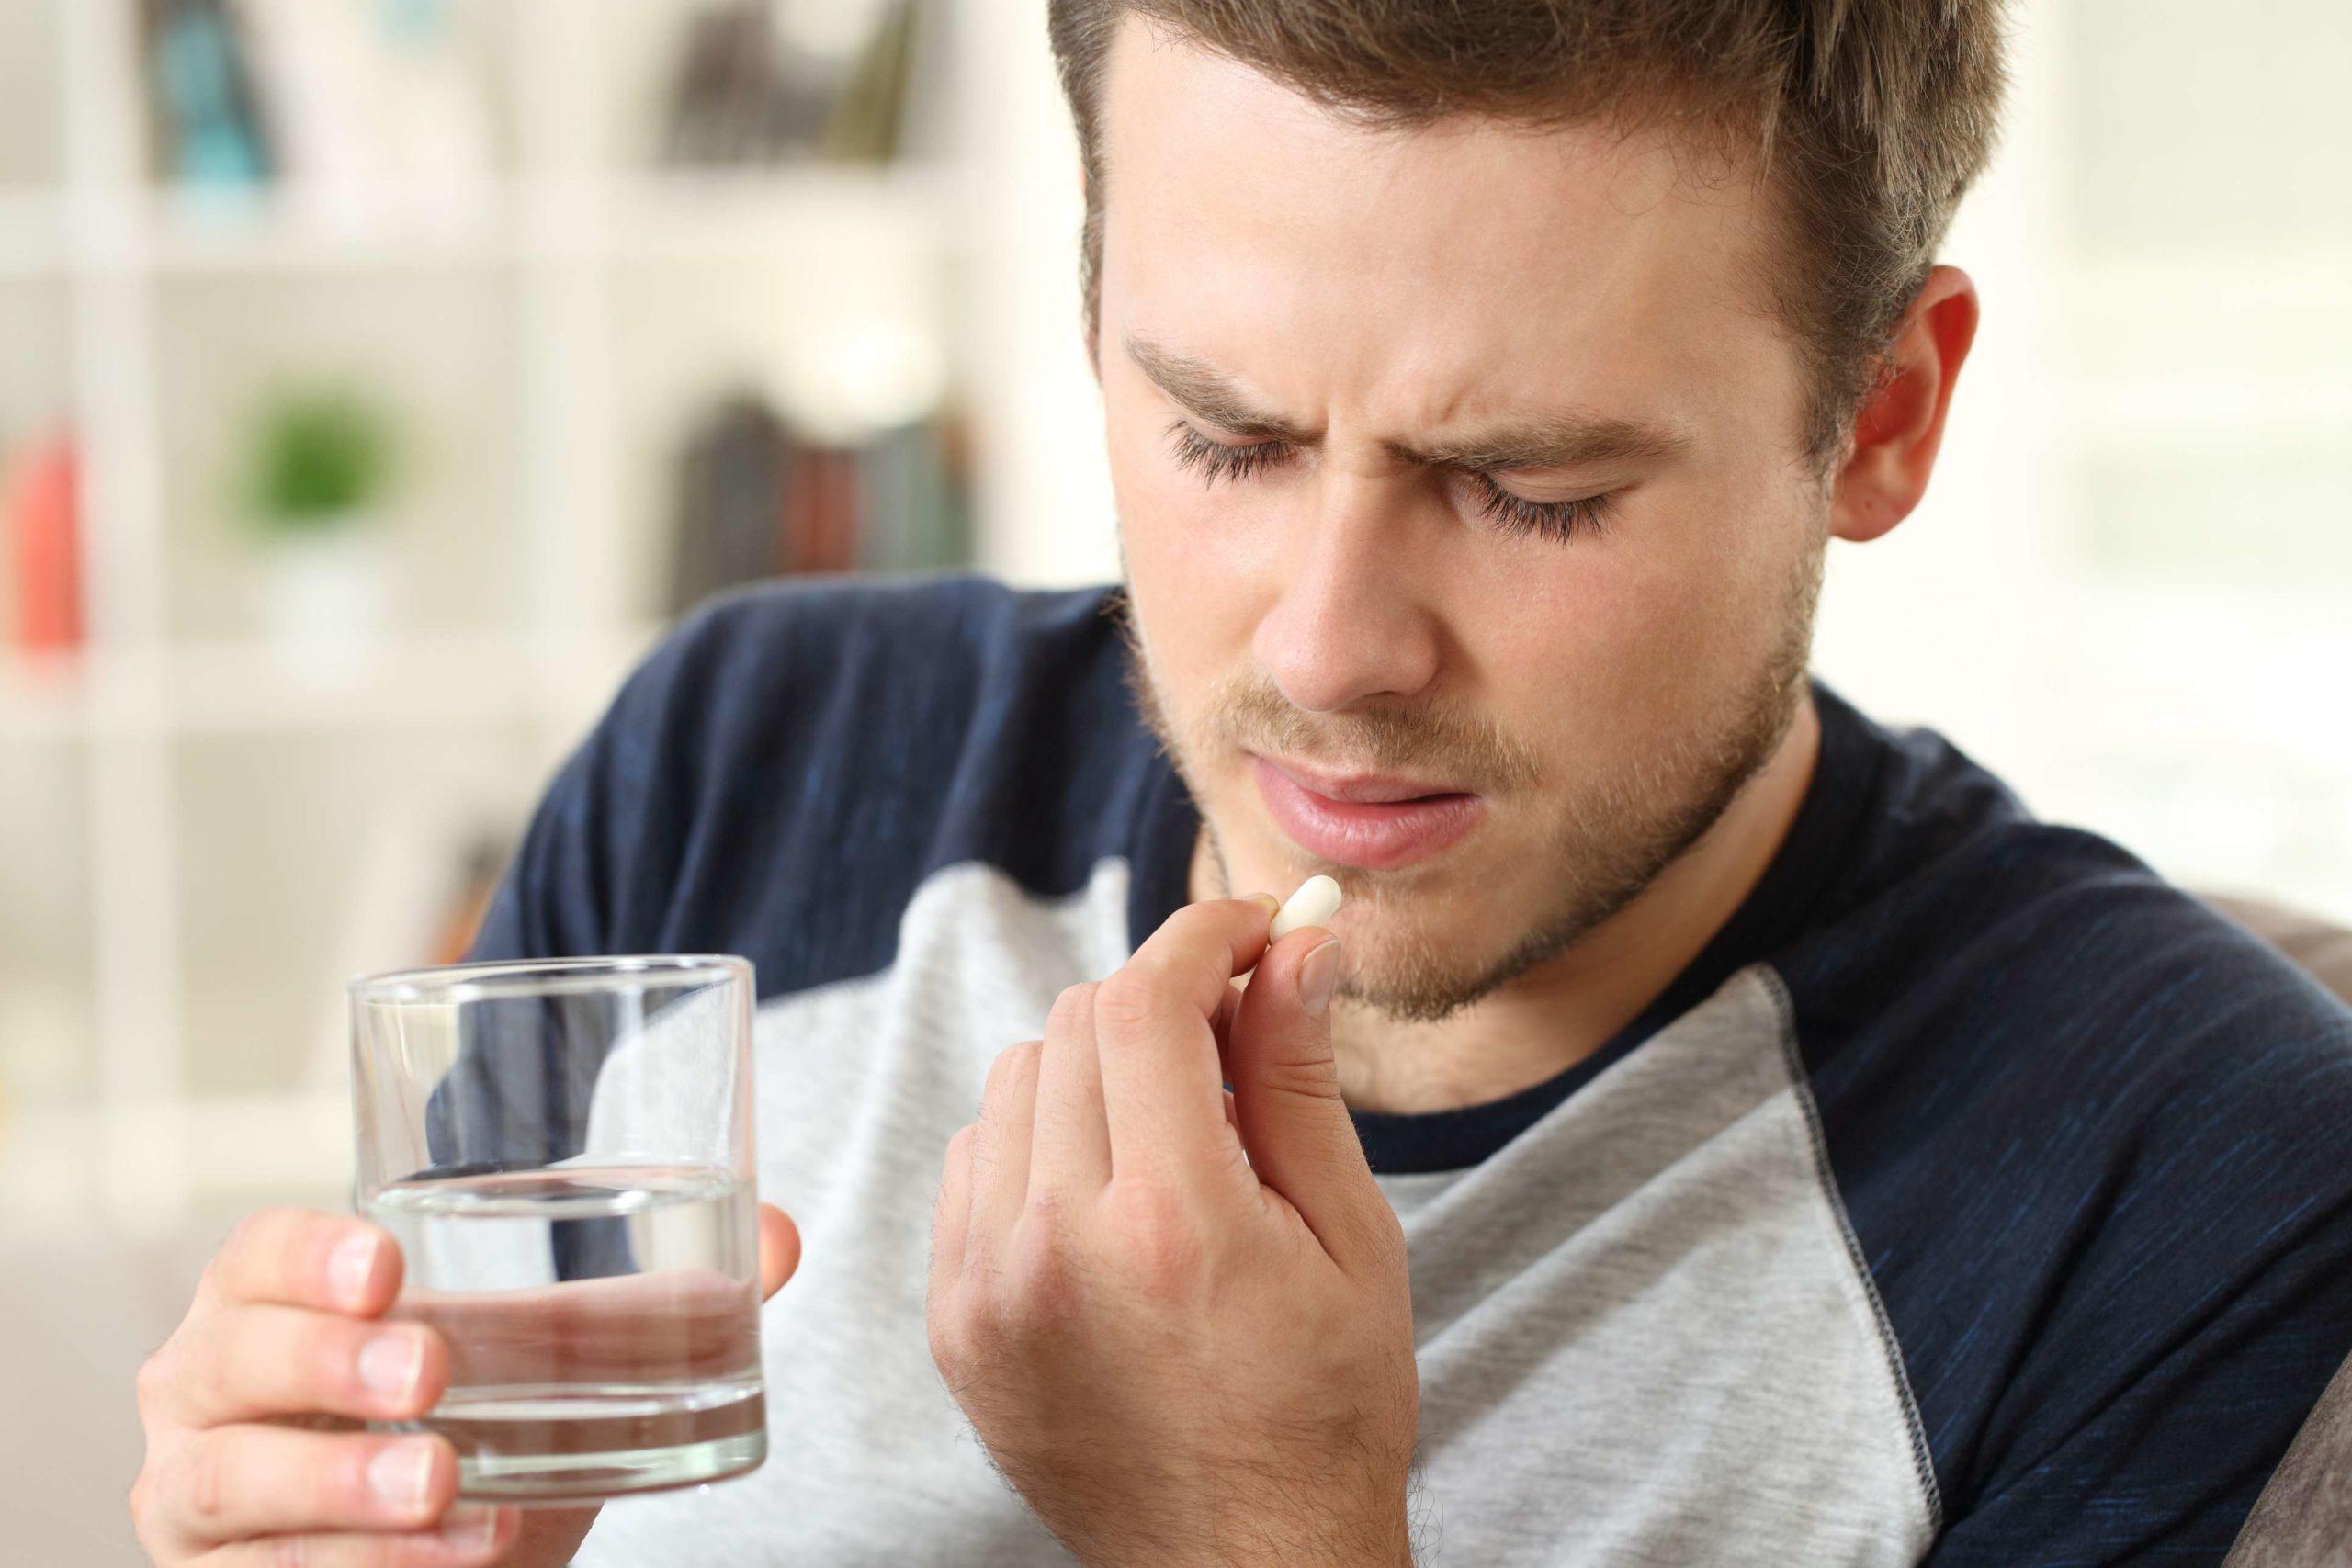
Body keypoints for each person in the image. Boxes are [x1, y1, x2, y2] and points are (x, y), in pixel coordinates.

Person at [132, 2, 2352, 1563]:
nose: (1322, 648)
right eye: (1221, 436)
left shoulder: (2179, 1189)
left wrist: (1257, 1533)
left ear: (1877, 416)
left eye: (1528, 484)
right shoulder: (750, 768)